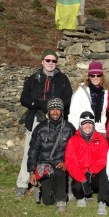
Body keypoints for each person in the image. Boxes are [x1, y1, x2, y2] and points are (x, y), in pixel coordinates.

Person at [16, 49, 73, 199]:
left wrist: (56, 107)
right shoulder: (33, 78)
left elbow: (68, 99)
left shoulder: (62, 79)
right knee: (30, 150)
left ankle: (55, 180)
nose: (50, 63)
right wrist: (39, 104)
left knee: (57, 151)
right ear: (42, 61)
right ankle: (23, 183)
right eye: (48, 60)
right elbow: (24, 99)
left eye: (53, 61)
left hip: (56, 119)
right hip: (37, 117)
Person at [28, 97, 76, 212]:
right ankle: (46, 188)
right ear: (48, 111)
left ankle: (61, 199)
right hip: (45, 166)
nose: (55, 112)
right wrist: (31, 172)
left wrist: (66, 162)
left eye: (58, 109)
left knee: (59, 172)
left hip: (60, 164)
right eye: (52, 109)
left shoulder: (69, 128)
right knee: (47, 201)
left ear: (62, 111)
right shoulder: (40, 129)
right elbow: (33, 151)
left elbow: (74, 150)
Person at [65, 111, 109, 216]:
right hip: (81, 174)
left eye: (90, 123)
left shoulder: (101, 139)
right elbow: (71, 163)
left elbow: (104, 158)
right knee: (77, 187)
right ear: (80, 125)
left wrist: (92, 171)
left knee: (106, 170)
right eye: (85, 123)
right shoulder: (73, 140)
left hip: (95, 174)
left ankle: (102, 201)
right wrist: (83, 179)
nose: (88, 126)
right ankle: (81, 196)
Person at [68, 61, 108, 136]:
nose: (95, 78)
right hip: (85, 130)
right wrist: (73, 131)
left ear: (102, 76)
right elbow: (73, 113)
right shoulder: (81, 91)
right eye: (93, 75)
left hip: (100, 130)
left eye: (98, 75)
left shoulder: (105, 92)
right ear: (89, 76)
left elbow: (104, 113)